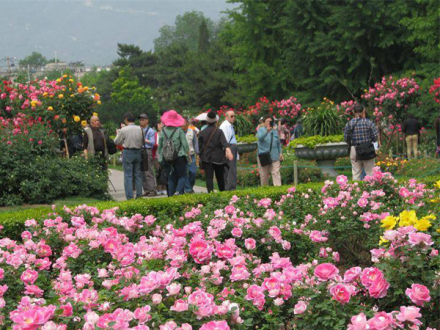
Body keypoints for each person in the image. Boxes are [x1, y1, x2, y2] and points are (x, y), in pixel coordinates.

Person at [199, 111, 234, 193]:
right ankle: (222, 193)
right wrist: (229, 151)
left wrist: (201, 156)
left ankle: (211, 194)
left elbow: (199, 148)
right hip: (218, 158)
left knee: (209, 178)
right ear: (216, 121)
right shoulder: (219, 131)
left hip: (206, 158)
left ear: (207, 121)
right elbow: (225, 143)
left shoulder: (202, 133)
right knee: (220, 177)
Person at [158, 110, 189, 196]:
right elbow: (185, 144)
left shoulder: (162, 131)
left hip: (166, 157)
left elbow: (160, 146)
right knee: (182, 175)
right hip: (179, 156)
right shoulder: (179, 130)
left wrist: (160, 158)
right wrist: (188, 154)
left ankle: (171, 197)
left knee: (170, 178)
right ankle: (178, 191)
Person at [344, 103, 379, 181]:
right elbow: (375, 137)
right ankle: (370, 191)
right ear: (364, 111)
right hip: (368, 149)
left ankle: (356, 190)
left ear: (353, 112)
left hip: (354, 149)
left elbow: (346, 138)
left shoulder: (349, 124)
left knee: (356, 173)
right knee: (370, 173)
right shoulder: (369, 123)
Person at [114, 113, 144, 200]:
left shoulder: (124, 129)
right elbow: (142, 141)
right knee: (138, 174)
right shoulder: (140, 129)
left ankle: (129, 196)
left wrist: (118, 133)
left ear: (126, 120)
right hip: (138, 152)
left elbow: (116, 141)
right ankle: (139, 195)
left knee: (128, 175)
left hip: (128, 152)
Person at [257, 116, 283, 186]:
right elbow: (260, 138)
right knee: (264, 175)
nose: (269, 123)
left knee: (276, 173)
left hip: (274, 155)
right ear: (264, 122)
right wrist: (267, 131)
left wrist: (280, 153)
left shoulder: (275, 132)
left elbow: (278, 144)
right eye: (267, 121)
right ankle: (265, 191)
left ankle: (278, 190)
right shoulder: (261, 130)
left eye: (270, 121)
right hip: (264, 156)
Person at [139, 114, 157, 197]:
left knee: (148, 171)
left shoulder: (150, 131)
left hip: (147, 150)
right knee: (142, 171)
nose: (142, 121)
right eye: (140, 120)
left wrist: (145, 140)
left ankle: (153, 190)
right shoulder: (138, 129)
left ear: (147, 120)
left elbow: (153, 142)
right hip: (140, 150)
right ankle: (146, 189)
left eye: (143, 119)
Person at [219, 110, 238, 191]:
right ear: (226, 117)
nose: (233, 118)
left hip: (231, 147)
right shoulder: (225, 126)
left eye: (234, 116)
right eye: (231, 116)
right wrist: (227, 150)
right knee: (231, 169)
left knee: (229, 169)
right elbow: (224, 140)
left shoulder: (229, 125)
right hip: (229, 148)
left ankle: (228, 187)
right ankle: (231, 188)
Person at [183, 117, 199, 194]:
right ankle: (188, 189)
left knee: (193, 172)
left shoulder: (192, 132)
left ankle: (190, 187)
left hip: (191, 155)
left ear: (187, 123)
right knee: (184, 173)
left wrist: (198, 153)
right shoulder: (178, 132)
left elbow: (195, 143)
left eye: (184, 122)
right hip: (182, 156)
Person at [153, 120, 167, 195]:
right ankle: (158, 187)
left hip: (164, 155)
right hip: (156, 155)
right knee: (158, 171)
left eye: (162, 124)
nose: (160, 125)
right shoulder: (155, 134)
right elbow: (153, 143)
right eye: (159, 124)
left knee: (164, 171)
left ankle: (164, 187)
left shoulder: (165, 134)